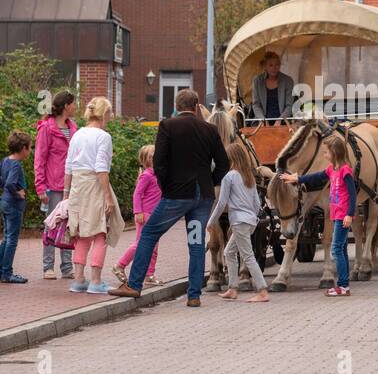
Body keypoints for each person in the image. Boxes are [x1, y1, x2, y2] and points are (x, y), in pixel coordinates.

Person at [113, 89, 229, 307]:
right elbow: (224, 164)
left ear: (176, 106)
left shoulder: (168, 126)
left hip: (177, 195)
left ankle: (134, 284)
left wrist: (165, 187)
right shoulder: (210, 130)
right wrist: (209, 181)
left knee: (149, 233)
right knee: (196, 243)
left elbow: (159, 162)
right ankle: (194, 295)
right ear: (196, 107)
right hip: (201, 197)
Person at [279, 133, 356, 297]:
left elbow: (353, 194)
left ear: (334, 154)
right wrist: (296, 178)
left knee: (336, 249)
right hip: (337, 214)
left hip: (343, 216)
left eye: (326, 152)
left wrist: (350, 214)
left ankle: (342, 286)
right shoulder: (332, 170)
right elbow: (315, 177)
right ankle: (345, 284)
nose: (324, 155)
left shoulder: (345, 171)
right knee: (341, 249)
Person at [63, 97, 124, 295]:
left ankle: (79, 279)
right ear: (104, 113)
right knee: (100, 233)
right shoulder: (103, 137)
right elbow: (101, 169)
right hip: (94, 186)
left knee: (81, 233)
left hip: (77, 188)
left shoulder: (77, 134)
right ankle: (96, 281)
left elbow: (69, 166)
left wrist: (66, 195)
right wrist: (107, 197)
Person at [209, 139, 270, 303]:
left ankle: (262, 290)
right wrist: (254, 218)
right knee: (229, 252)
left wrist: (211, 222)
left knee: (248, 256)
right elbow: (257, 203)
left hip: (239, 221)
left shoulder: (229, 177)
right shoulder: (248, 176)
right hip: (249, 221)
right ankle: (233, 288)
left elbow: (221, 203)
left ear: (231, 158)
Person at [35, 90, 79, 280]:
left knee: (69, 225)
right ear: (66, 106)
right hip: (53, 186)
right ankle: (48, 267)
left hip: (72, 185)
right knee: (52, 225)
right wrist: (40, 186)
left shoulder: (74, 128)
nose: (76, 107)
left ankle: (67, 267)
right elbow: (40, 159)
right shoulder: (46, 128)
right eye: (73, 103)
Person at [112, 145, 164, 288]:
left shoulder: (158, 174)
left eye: (156, 154)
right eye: (151, 156)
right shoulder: (146, 175)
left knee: (153, 248)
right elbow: (137, 194)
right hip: (145, 215)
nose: (155, 157)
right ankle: (120, 265)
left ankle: (149, 275)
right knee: (142, 244)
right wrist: (138, 212)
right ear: (145, 160)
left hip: (156, 216)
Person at [0, 130, 32, 284]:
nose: (30, 151)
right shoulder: (16, 165)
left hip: (4, 202)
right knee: (12, 239)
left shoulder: (6, 161)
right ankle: (7, 273)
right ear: (24, 148)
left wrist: (5, 189)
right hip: (13, 205)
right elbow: (10, 183)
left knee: (6, 238)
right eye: (30, 148)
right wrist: (17, 193)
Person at [249, 51, 296, 120]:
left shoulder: (288, 81)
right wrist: (263, 120)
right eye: (271, 65)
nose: (274, 68)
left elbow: (289, 105)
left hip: (284, 120)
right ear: (265, 66)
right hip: (262, 121)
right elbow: (256, 105)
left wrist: (280, 120)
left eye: (277, 65)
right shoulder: (257, 81)